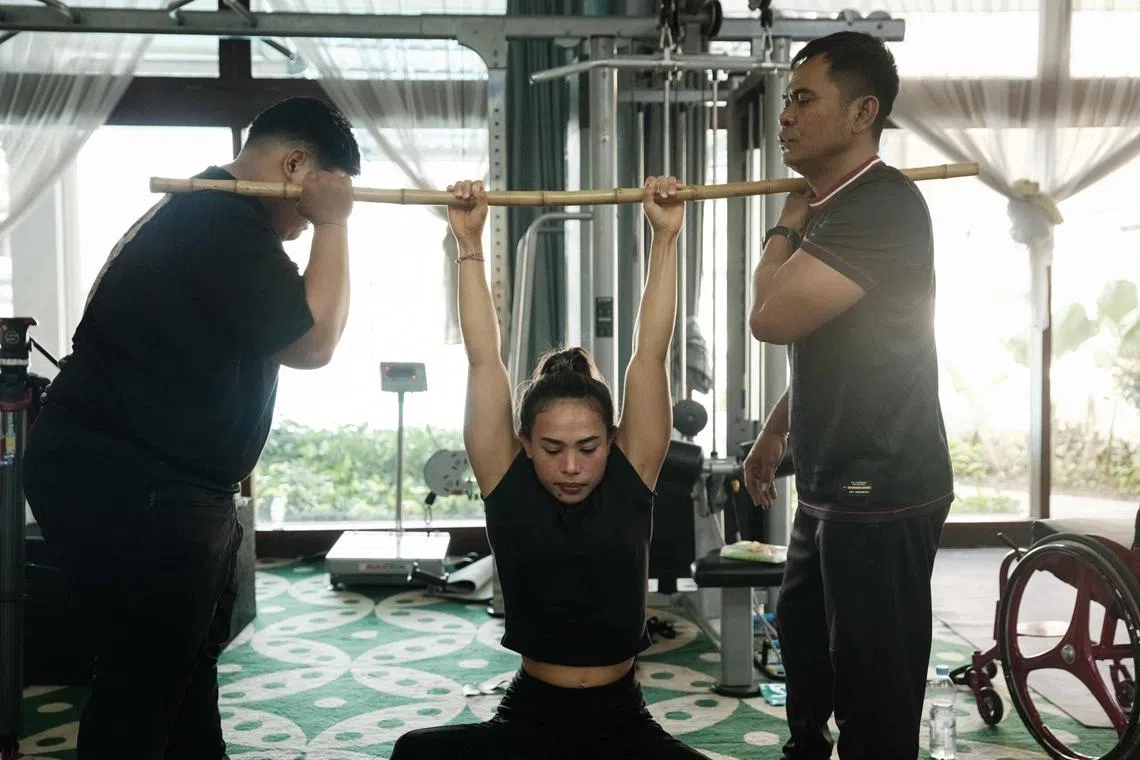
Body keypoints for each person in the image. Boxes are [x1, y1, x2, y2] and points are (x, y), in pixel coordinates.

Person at [22, 96, 360, 760]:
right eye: (311, 201)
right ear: (296, 167)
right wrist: (335, 224)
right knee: (144, 678)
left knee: (181, 664)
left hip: (138, 472)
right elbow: (315, 342)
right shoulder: (219, 219)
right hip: (131, 477)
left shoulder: (212, 213)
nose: (297, 230)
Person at [389, 176, 706, 760]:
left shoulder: (631, 478)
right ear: (524, 444)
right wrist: (469, 243)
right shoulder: (506, 486)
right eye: (552, 448)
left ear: (613, 440)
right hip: (528, 718)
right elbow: (484, 358)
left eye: (588, 447)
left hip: (623, 721)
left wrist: (666, 238)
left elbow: (651, 354)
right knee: (418, 754)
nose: (570, 466)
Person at [741, 31, 955, 760]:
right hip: (833, 482)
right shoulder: (840, 205)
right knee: (806, 659)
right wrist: (778, 429)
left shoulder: (879, 207)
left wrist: (785, 223)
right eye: (785, 101)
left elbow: (769, 318)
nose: (786, 116)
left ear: (863, 111)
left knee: (874, 696)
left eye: (804, 99)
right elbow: (844, 347)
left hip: (886, 485)